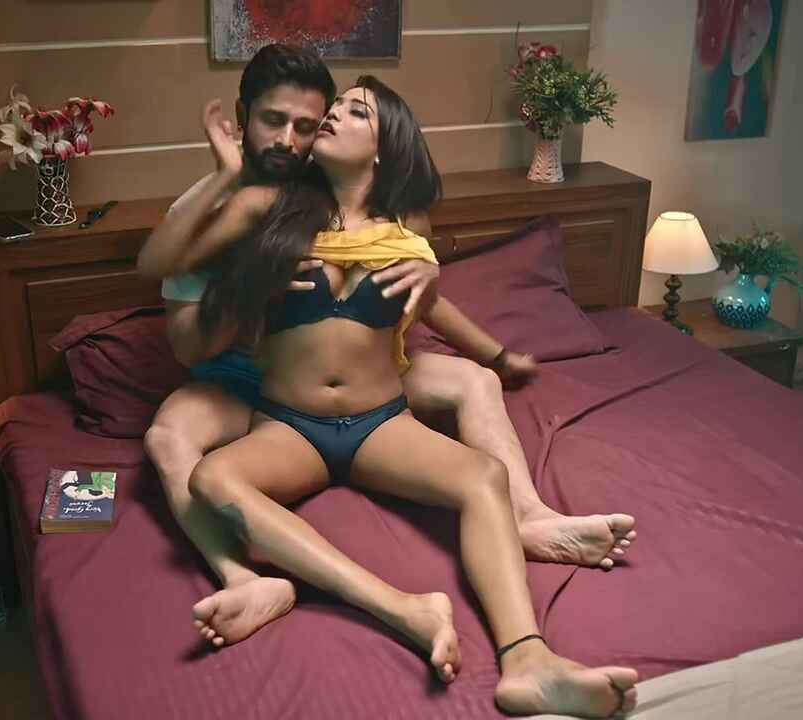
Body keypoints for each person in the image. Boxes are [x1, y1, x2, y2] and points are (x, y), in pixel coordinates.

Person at [145, 75, 639, 718]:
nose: (332, 117)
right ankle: (400, 607)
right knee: (213, 477)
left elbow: (434, 306)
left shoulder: (406, 232)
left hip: (380, 422)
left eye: (356, 112)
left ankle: (529, 661)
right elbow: (163, 260)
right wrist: (226, 183)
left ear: (384, 149)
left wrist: (492, 352)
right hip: (290, 424)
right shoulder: (269, 208)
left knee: (484, 477)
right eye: (336, 107)